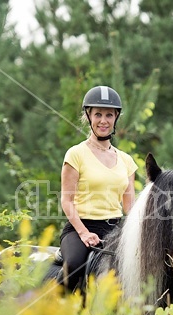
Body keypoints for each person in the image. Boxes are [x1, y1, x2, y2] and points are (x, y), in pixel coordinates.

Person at [58, 85, 138, 292]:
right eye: (98, 114)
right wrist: (84, 233)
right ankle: (51, 308)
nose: (104, 120)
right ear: (88, 116)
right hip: (80, 228)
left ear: (116, 118)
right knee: (74, 265)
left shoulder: (126, 161)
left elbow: (130, 207)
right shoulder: (75, 154)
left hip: (114, 230)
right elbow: (66, 201)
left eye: (109, 115)